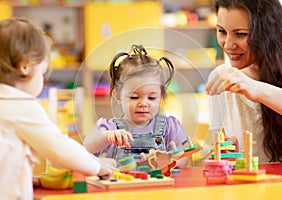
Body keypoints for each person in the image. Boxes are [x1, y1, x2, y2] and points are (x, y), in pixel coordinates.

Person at [0, 17, 116, 199]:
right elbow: (60, 149)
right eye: (43, 71)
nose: (43, 79)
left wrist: (24, 177)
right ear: (25, 66)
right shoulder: (20, 105)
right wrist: (98, 166)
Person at [203, 0, 282, 163]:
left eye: (240, 34)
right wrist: (223, 151)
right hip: (248, 186)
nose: (228, 45)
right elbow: (215, 144)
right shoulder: (221, 77)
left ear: (268, 33)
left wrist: (256, 89)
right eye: (222, 32)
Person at [83, 45, 189, 168]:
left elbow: (184, 159)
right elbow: (87, 147)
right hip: (125, 186)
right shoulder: (111, 128)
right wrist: (107, 136)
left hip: (160, 187)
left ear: (161, 97)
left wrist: (167, 161)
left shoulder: (169, 127)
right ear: (118, 96)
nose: (143, 104)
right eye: (134, 97)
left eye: (151, 98)